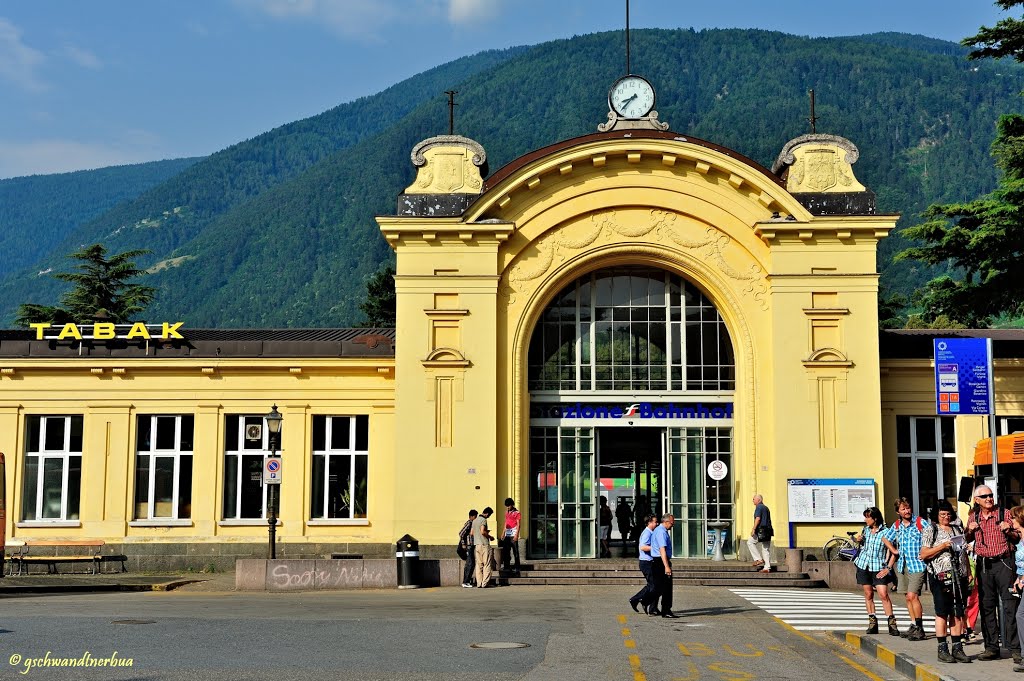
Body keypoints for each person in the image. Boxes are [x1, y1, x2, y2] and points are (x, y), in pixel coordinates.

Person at [965, 485, 1021, 662]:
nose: (989, 498)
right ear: (977, 500)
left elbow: (1018, 537)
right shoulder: (973, 517)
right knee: (986, 605)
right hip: (984, 565)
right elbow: (966, 540)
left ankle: (1016, 648)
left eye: (991, 495)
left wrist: (1008, 530)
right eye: (985, 496)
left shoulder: (1004, 514)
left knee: (1010, 605)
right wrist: (969, 531)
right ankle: (991, 647)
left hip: (1004, 562)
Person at [920, 500, 971, 664]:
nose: (946, 517)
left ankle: (957, 648)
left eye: (948, 514)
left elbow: (963, 552)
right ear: (936, 515)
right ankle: (942, 649)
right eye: (942, 514)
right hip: (940, 577)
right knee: (942, 612)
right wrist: (942, 546)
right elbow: (924, 554)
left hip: (959, 576)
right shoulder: (931, 529)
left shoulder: (958, 529)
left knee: (957, 611)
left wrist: (968, 572)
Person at [854, 506, 899, 636]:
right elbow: (864, 546)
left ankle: (892, 623)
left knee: (883, 593)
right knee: (868, 594)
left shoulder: (886, 532)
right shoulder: (866, 530)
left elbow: (894, 552)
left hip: (878, 566)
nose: (865, 519)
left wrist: (888, 568)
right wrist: (860, 541)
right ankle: (872, 623)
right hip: (864, 564)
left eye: (868, 517)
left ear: (875, 518)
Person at [890, 497, 929, 641]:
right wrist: (894, 550)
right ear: (898, 512)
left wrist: (926, 552)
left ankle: (920, 627)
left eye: (908, 508)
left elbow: (930, 536)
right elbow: (885, 538)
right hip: (903, 564)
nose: (907, 511)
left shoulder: (920, 522)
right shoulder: (896, 525)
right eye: (903, 509)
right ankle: (913, 624)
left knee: (913, 596)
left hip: (917, 565)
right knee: (907, 596)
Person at [628, 514, 660, 615]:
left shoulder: (651, 532)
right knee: (654, 585)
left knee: (653, 585)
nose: (657, 523)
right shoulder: (647, 533)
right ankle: (645, 603)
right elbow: (643, 547)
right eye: (655, 522)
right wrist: (656, 548)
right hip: (646, 562)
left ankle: (638, 600)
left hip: (650, 562)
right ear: (649, 522)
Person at [650, 514, 679, 618]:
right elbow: (662, 550)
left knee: (659, 586)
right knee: (666, 587)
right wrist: (666, 566)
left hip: (658, 561)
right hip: (661, 561)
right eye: (672, 523)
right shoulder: (661, 532)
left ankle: (653, 607)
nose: (673, 525)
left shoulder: (659, 531)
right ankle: (666, 610)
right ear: (666, 522)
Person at [1010, 505, 1024, 671]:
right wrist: (1018, 579)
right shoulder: (1020, 538)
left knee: (1020, 615)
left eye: (1013, 518)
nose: (1011, 521)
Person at [747, 494, 773, 573]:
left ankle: (758, 559)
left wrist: (753, 529)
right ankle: (767, 567)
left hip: (761, 530)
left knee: (750, 542)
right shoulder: (766, 508)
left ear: (759, 500)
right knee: (765, 549)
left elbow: (758, 518)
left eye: (754, 499)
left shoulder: (759, 507)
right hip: (768, 530)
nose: (753, 500)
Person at [472, 507, 494, 588]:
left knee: (478, 564)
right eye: (489, 515)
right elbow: (482, 531)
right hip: (484, 544)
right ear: (487, 513)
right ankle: (485, 583)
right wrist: (490, 536)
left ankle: (479, 583)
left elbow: (472, 533)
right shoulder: (483, 520)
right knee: (487, 564)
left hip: (477, 545)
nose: (489, 517)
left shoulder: (474, 521)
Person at [500, 497, 522, 576]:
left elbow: (519, 524)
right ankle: (507, 566)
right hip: (507, 534)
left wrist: (517, 535)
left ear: (512, 505)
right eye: (506, 506)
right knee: (506, 551)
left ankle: (517, 567)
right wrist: (503, 533)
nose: (508, 507)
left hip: (513, 534)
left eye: (509, 506)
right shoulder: (507, 512)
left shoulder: (517, 513)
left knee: (515, 551)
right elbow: (506, 523)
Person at [458, 509, 478, 588]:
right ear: (471, 517)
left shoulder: (472, 523)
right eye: (475, 517)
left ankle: (466, 581)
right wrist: (463, 544)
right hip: (468, 546)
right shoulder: (469, 523)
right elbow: (461, 533)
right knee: (470, 564)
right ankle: (466, 582)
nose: (476, 518)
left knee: (470, 564)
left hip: (471, 545)